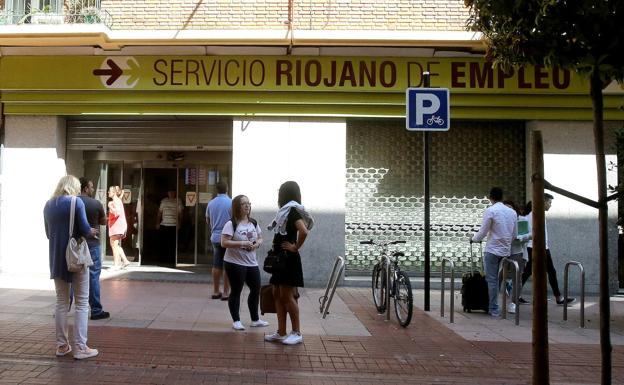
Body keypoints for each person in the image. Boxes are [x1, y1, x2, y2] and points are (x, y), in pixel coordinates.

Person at [44, 175, 99, 360]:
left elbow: (48, 233)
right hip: (75, 258)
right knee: (82, 303)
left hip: (56, 258)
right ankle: (80, 348)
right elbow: (84, 228)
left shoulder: (48, 205)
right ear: (74, 187)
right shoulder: (76, 202)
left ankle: (61, 346)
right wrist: (91, 231)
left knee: (61, 302)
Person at [264, 181, 314, 345]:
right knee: (277, 293)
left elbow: (304, 230)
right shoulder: (285, 212)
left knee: (286, 295)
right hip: (281, 259)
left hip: (288, 259)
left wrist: (295, 247)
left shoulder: (292, 211)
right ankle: (281, 331)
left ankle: (296, 332)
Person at [220, 194, 269, 330]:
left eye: (248, 203)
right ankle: (236, 320)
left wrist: (256, 244)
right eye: (243, 204)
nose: (247, 206)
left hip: (251, 262)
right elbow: (224, 242)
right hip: (234, 263)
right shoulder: (231, 224)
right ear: (237, 207)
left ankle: (255, 319)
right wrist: (242, 243)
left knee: (255, 289)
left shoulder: (253, 222)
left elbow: (260, 238)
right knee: (236, 290)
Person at [520, 194, 575, 305]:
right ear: (543, 202)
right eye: (549, 202)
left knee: (533, 272)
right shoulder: (533, 214)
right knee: (545, 271)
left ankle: (516, 293)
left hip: (541, 247)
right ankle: (558, 298)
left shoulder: (535, 213)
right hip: (536, 247)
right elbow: (522, 233)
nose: (550, 205)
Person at [471, 187, 517, 317]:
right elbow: (515, 234)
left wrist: (474, 239)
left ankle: (494, 308)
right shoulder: (512, 213)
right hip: (506, 252)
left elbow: (483, 231)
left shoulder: (490, 211)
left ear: (490, 197)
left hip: (492, 250)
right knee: (503, 279)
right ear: (502, 197)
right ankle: (504, 305)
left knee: (492, 280)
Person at [78, 178, 110, 320]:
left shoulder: (72, 202)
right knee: (93, 276)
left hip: (76, 244)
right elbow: (103, 222)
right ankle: (96, 310)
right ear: (85, 188)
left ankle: (64, 307)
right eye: (91, 187)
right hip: (92, 244)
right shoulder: (95, 203)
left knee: (72, 275)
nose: (92, 189)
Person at [501, 200, 531, 314]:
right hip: (502, 251)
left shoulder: (522, 220)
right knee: (499, 277)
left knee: (517, 278)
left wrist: (520, 238)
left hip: (518, 251)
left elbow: (529, 235)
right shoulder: (501, 221)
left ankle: (513, 303)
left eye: (510, 208)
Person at [206, 181, 231, 300]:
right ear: (227, 188)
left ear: (216, 190)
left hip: (215, 237)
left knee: (216, 265)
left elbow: (207, 220)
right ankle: (226, 292)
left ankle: (216, 291)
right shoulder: (231, 202)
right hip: (228, 237)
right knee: (227, 265)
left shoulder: (211, 203)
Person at [156, 190, 182, 264]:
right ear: (167, 193)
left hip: (174, 225)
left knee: (173, 244)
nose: (171, 193)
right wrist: (157, 223)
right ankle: (163, 259)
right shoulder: (164, 201)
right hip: (164, 225)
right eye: (169, 192)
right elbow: (159, 212)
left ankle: (172, 260)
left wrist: (179, 223)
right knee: (163, 243)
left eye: (172, 192)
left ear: (175, 193)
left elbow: (181, 213)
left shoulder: (178, 201)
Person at [107, 186, 130, 269]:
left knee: (114, 245)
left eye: (109, 191)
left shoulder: (115, 201)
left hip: (117, 226)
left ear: (113, 192)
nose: (108, 192)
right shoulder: (117, 200)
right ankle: (125, 260)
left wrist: (110, 206)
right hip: (117, 226)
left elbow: (117, 213)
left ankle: (116, 265)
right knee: (115, 245)